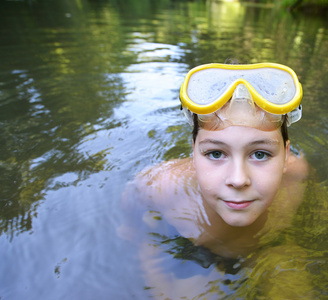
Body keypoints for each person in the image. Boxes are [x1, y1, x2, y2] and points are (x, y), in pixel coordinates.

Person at [119, 62, 311, 298]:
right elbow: (134, 196)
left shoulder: (296, 174)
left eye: (260, 154)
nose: (238, 180)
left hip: (268, 248)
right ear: (194, 152)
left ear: (285, 156)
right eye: (216, 153)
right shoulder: (163, 185)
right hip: (194, 250)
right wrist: (134, 233)